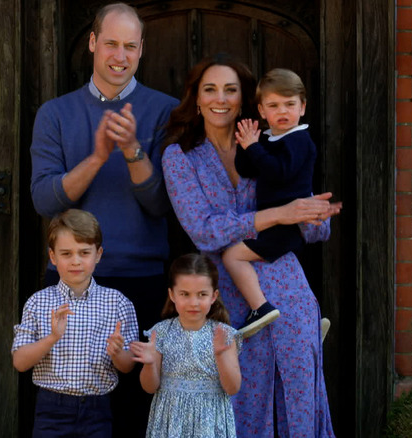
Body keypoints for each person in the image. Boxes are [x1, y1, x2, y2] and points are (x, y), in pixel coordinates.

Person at [161, 53, 341, 437]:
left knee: (297, 398)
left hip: (289, 291)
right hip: (227, 298)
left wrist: (313, 215)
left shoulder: (273, 145)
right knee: (237, 405)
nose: (220, 99)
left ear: (243, 100)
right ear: (197, 98)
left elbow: (312, 228)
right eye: (210, 90)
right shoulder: (180, 158)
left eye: (230, 90)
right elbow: (204, 231)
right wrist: (279, 215)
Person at [29, 3, 179, 436]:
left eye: (130, 46)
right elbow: (44, 199)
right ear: (93, 43)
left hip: (142, 281)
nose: (120, 54)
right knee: (72, 406)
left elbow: (162, 205)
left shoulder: (164, 111)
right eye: (111, 43)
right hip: (71, 282)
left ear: (141, 50)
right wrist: (97, 157)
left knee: (135, 410)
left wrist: (132, 150)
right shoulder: (55, 114)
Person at [11, 209, 139, 438]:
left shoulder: (118, 303)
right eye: (66, 253)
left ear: (98, 254)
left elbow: (128, 366)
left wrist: (118, 353)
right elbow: (20, 362)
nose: (76, 261)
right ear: (53, 257)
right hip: (51, 409)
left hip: (97, 410)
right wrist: (51, 338)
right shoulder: (38, 302)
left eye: (84, 252)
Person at [223, 68, 316, 338]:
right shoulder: (270, 138)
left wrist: (254, 147)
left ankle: (260, 308)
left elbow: (278, 172)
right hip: (273, 222)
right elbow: (248, 169)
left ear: (303, 107)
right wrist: (245, 144)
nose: (283, 111)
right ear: (262, 111)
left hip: (285, 226)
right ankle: (304, 323)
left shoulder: (299, 140)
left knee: (232, 255)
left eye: (290, 104)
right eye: (274, 106)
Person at [130, 253, 240, 438]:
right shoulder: (161, 332)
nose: (193, 302)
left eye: (202, 294)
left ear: (214, 296)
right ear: (172, 294)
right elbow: (149, 387)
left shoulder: (224, 334)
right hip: (170, 419)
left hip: (210, 421)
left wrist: (220, 356)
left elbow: (233, 388)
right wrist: (149, 364)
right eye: (185, 294)